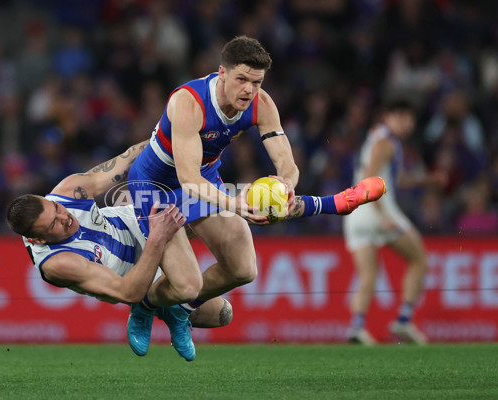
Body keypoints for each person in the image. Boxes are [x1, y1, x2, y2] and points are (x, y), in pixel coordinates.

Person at [125, 35, 387, 359]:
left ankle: (176, 310)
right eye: (242, 79)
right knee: (187, 284)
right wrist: (237, 204)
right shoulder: (188, 102)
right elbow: (187, 178)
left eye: (257, 81)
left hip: (202, 178)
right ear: (222, 73)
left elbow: (287, 163)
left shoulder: (262, 104)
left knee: (243, 269)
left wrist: (286, 185)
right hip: (155, 187)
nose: (249, 90)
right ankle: (144, 307)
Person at [6, 141, 235, 360]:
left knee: (219, 215)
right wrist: (156, 238)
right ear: (37, 239)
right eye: (52, 225)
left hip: (136, 221)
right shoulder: (59, 263)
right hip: (138, 279)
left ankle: (173, 310)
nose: (65, 218)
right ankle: (148, 306)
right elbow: (128, 291)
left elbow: (129, 158)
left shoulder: (68, 191)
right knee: (221, 313)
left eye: (57, 209)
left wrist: (171, 136)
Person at [343, 99, 439, 345]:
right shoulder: (386, 142)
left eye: (409, 118)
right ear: (389, 117)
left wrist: (426, 180)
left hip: (355, 213)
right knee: (419, 259)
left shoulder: (376, 138)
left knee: (368, 275)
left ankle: (357, 328)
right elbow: (370, 177)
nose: (407, 124)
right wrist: (382, 214)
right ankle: (404, 321)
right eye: (403, 118)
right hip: (377, 210)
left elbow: (394, 178)